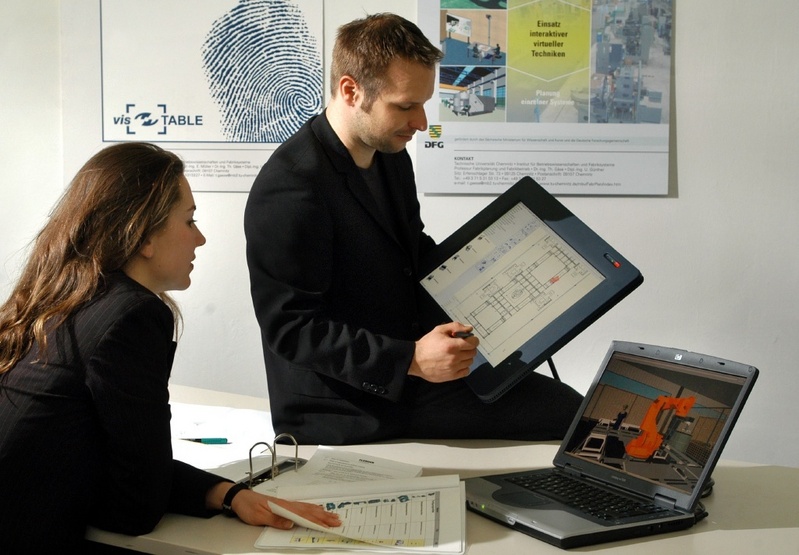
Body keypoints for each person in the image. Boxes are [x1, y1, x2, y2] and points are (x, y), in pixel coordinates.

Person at [244, 13, 583, 445]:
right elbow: (291, 329)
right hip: (348, 403)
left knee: (564, 405)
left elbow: (408, 252)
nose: (421, 123)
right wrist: (412, 359)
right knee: (565, 414)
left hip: (408, 364)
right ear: (351, 91)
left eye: (423, 104)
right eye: (405, 106)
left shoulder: (388, 154)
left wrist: (498, 278)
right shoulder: (291, 189)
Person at [0, 142, 340, 554]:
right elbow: (136, 508)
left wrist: (228, 494)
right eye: (189, 220)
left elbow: (127, 468)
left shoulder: (62, 295)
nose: (200, 237)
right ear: (143, 235)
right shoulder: (131, 316)